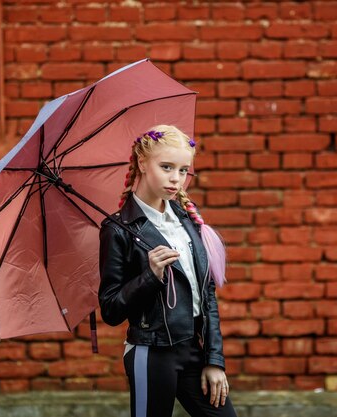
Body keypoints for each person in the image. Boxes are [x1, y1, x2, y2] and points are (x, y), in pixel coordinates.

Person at [98, 124, 238, 417]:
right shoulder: (118, 230)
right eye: (166, 167)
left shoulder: (187, 220)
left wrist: (213, 359)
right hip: (151, 352)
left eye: (184, 170)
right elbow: (110, 310)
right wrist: (150, 276)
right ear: (142, 163)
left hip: (193, 351)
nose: (176, 179)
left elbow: (207, 295)